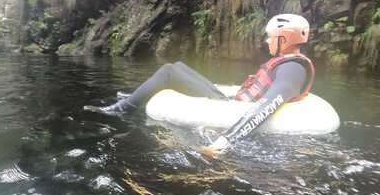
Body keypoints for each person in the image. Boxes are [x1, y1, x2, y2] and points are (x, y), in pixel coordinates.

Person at [84, 14, 315, 157]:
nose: (267, 41)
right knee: (178, 66)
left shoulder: (293, 69)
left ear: (283, 38)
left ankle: (123, 107)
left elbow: (266, 106)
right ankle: (136, 95)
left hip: (228, 109)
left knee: (168, 72)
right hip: (233, 102)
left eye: (270, 36)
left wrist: (224, 141)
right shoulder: (290, 63)